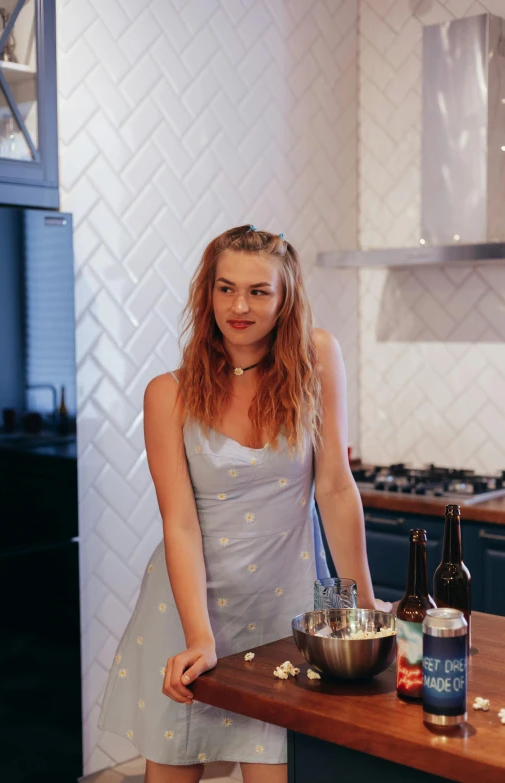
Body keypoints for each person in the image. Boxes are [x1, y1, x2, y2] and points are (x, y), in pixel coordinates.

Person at [97, 225, 391, 783]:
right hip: (190, 611)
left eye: (259, 291)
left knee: (279, 768)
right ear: (207, 294)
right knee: (176, 766)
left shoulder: (317, 359)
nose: (239, 306)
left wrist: (367, 612)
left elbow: (333, 487)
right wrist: (200, 637)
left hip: (288, 613)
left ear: (285, 300)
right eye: (226, 288)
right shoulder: (169, 394)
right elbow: (180, 524)